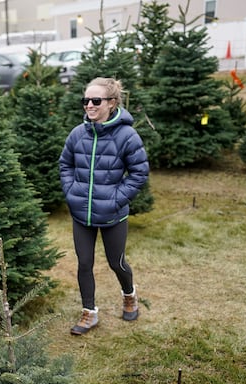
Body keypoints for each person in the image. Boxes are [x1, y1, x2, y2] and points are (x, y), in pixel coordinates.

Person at [59, 77, 149, 335]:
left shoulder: (127, 135)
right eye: (85, 100)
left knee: (116, 262)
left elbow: (139, 173)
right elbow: (65, 164)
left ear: (111, 103)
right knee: (84, 263)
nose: (89, 105)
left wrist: (116, 199)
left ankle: (129, 295)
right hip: (81, 214)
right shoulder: (78, 133)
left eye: (95, 100)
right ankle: (89, 312)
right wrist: (71, 190)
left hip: (113, 215)